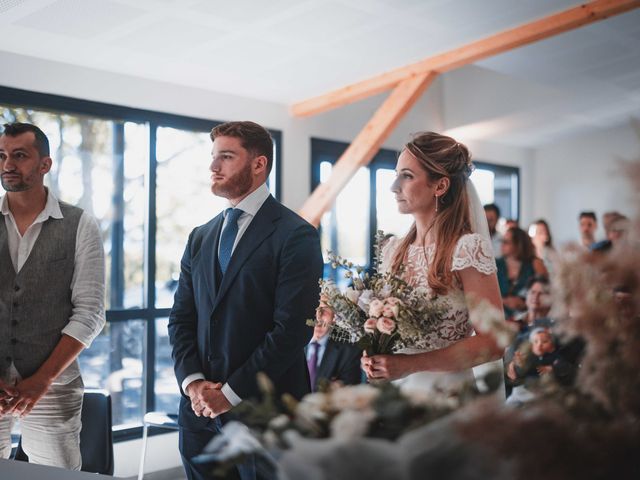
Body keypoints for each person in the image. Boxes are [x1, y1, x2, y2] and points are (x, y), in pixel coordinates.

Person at [168, 121, 323, 480]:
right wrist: (192, 383)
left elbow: (292, 331)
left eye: (226, 156)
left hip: (265, 411)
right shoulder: (200, 237)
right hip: (199, 412)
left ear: (258, 164)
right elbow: (181, 318)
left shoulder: (296, 235)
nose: (213, 167)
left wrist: (232, 392)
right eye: (213, 157)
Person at [360, 132, 504, 393]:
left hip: (447, 392)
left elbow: (493, 342)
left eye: (407, 176)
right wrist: (375, 353)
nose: (394, 187)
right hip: (395, 390)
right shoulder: (392, 250)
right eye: (397, 174)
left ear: (440, 186)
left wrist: (412, 364)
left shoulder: (467, 249)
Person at [0, 123, 105, 469]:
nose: (7, 164)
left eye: (19, 155)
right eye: (1, 156)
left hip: (54, 383)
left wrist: (41, 380)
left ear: (45, 164)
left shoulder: (80, 224)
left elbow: (90, 312)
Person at [307, 301, 362, 392]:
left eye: (324, 308)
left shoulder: (350, 351)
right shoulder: (291, 343)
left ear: (335, 314)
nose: (318, 315)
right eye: (313, 306)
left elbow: (350, 391)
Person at [496, 227, 548, 319]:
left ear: (518, 245)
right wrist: (503, 301)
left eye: (506, 242)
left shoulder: (535, 263)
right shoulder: (496, 264)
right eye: (502, 241)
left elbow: (546, 290)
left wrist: (525, 303)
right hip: (499, 317)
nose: (502, 245)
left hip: (528, 316)